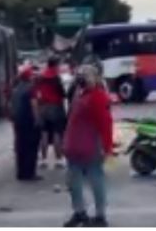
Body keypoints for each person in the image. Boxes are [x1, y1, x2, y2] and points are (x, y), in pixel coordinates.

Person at [62, 65, 113, 227]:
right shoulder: (80, 94)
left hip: (91, 147)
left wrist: (107, 147)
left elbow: (105, 124)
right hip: (75, 146)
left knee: (95, 180)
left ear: (95, 78)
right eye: (80, 75)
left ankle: (100, 216)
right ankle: (80, 212)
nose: (81, 79)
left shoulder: (98, 97)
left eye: (85, 75)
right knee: (73, 183)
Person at [11, 65, 42, 182]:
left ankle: (21, 172)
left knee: (21, 147)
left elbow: (11, 105)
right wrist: (37, 119)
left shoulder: (16, 89)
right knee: (31, 148)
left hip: (18, 121)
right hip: (29, 121)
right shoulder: (31, 88)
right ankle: (30, 173)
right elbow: (34, 104)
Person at [36, 56, 68, 170]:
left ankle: (43, 160)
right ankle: (58, 159)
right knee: (56, 133)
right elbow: (63, 93)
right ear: (55, 65)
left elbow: (37, 91)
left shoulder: (41, 76)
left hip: (43, 107)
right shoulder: (56, 77)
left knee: (44, 133)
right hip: (55, 107)